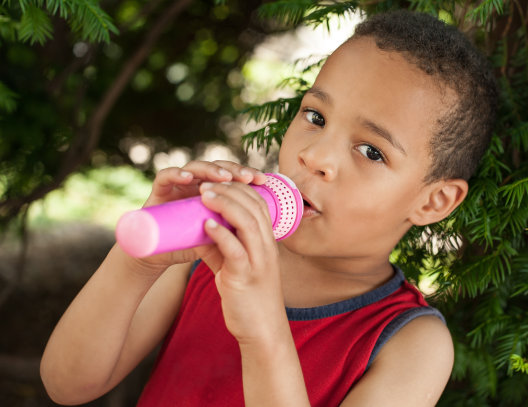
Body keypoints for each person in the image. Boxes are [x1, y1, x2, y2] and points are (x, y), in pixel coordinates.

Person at [40, 9, 497, 407]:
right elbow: (67, 384)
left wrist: (261, 329)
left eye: (372, 151)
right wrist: (137, 264)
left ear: (433, 201)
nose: (314, 157)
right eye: (315, 117)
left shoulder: (412, 342)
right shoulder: (209, 249)